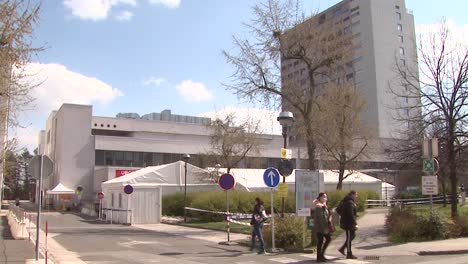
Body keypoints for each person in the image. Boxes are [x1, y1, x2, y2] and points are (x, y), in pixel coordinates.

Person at [338, 190, 358, 259]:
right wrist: (355, 223)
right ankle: (349, 253)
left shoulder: (345, 201)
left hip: (347, 222)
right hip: (348, 223)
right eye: (356, 195)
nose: (356, 196)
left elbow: (338, 210)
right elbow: (350, 214)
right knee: (349, 237)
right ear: (352, 194)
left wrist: (343, 215)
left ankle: (342, 248)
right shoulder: (349, 202)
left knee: (352, 235)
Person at [313, 192, 333, 262]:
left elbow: (326, 216)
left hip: (324, 227)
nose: (325, 198)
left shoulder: (323, 205)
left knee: (327, 239)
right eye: (324, 197)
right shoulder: (319, 206)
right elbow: (321, 219)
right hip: (320, 228)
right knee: (321, 241)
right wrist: (324, 229)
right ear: (320, 197)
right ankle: (319, 257)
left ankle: (321, 255)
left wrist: (330, 216)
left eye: (326, 197)